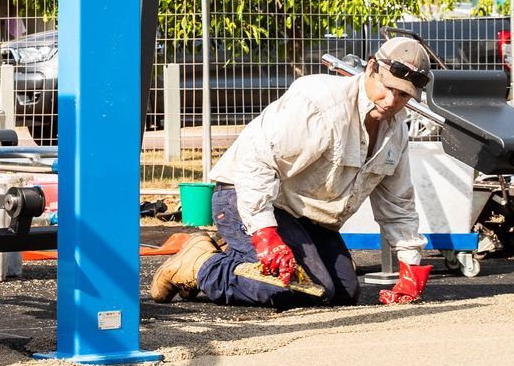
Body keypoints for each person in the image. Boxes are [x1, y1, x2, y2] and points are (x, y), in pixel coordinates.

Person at [150, 36, 433, 309]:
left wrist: (410, 268)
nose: (390, 100)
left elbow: (398, 203)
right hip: (245, 196)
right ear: (371, 67)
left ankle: (235, 251)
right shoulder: (320, 103)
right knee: (299, 286)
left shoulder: (396, 131)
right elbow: (256, 164)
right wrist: (264, 234)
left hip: (303, 217)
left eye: (403, 95)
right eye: (387, 87)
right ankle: (201, 265)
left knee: (344, 290)